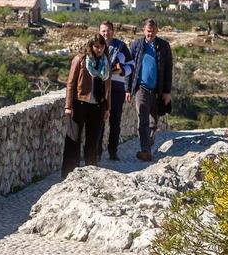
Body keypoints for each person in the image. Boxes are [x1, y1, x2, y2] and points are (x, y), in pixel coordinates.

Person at [62, 34, 110, 177]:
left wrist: (108, 107)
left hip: (97, 106)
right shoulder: (81, 60)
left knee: (93, 142)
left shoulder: (106, 62)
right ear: (91, 46)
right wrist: (68, 106)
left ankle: (91, 175)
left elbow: (108, 86)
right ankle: (68, 175)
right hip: (79, 103)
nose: (99, 49)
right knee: (73, 140)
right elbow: (71, 83)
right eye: (96, 46)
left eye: (102, 46)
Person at [127, 19, 174, 162]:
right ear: (143, 31)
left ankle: (148, 144)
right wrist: (128, 89)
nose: (150, 34)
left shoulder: (164, 46)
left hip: (158, 91)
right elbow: (130, 68)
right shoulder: (136, 45)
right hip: (141, 88)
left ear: (157, 31)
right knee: (143, 119)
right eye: (148, 31)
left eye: (153, 32)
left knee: (154, 122)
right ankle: (145, 150)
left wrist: (167, 92)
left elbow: (168, 71)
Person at [97, 21, 134, 161]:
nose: (106, 33)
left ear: (113, 31)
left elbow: (132, 65)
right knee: (99, 121)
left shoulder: (121, 47)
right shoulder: (96, 45)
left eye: (108, 30)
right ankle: (97, 152)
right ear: (99, 31)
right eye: (103, 31)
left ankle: (113, 151)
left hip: (116, 89)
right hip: (99, 89)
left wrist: (122, 70)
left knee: (115, 121)